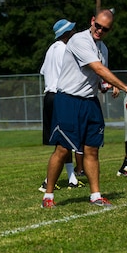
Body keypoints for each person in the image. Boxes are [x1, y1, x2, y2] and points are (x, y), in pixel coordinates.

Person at [41, 9, 127, 208]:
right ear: (92, 21)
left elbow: (99, 77)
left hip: (90, 102)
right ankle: (48, 197)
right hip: (68, 100)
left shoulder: (103, 48)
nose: (99, 30)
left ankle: (95, 195)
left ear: (109, 30)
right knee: (63, 149)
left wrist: (109, 85)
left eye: (105, 29)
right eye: (97, 25)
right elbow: (98, 68)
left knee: (92, 149)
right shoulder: (78, 40)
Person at [38, 18, 85, 192]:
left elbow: (44, 71)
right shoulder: (66, 49)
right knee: (68, 140)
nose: (74, 33)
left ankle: (72, 178)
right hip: (61, 97)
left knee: (63, 141)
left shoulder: (51, 49)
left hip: (49, 96)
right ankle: (48, 181)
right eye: (71, 30)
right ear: (66, 33)